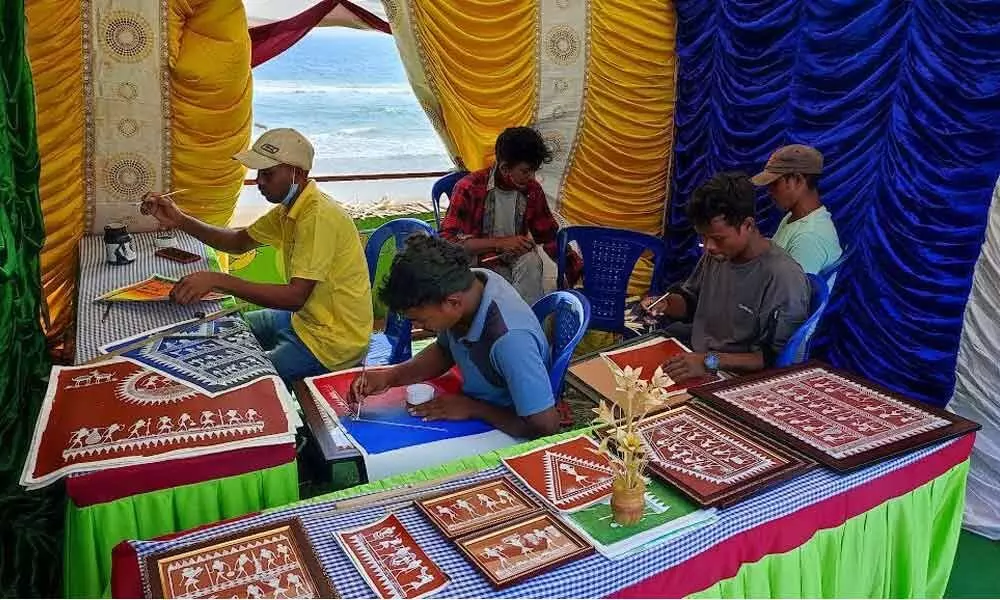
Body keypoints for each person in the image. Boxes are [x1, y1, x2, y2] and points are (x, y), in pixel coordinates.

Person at [141, 128, 373, 382]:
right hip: (304, 321)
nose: (260, 182)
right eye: (259, 173)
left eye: (268, 174)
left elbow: (295, 297)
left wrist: (219, 280)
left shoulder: (317, 217)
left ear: (298, 174)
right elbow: (238, 242)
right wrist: (180, 219)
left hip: (332, 343)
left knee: (244, 379)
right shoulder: (291, 208)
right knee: (219, 330)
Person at [348, 235, 559, 439]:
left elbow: (545, 426)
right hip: (476, 402)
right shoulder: (468, 283)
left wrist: (474, 409)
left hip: (505, 423)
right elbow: (444, 350)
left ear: (453, 303)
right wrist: (390, 377)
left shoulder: (511, 341)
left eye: (420, 320)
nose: (416, 327)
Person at [641, 172, 811, 382]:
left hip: (736, 377)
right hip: (697, 356)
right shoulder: (718, 254)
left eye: (717, 238)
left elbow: (772, 359)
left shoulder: (783, 277)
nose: (709, 247)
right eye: (703, 237)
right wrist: (665, 304)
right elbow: (691, 303)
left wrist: (708, 362)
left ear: (748, 225)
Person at [440, 126, 581, 304]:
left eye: (534, 171)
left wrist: (578, 271)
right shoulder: (468, 187)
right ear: (505, 168)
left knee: (531, 261)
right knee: (499, 283)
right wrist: (501, 243)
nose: (531, 177)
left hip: (514, 264)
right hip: (475, 267)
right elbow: (447, 243)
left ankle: (527, 326)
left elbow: (549, 237)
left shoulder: (532, 190)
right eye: (525, 171)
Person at [751, 144, 843, 275]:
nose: (769, 191)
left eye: (775, 183)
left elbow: (790, 293)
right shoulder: (794, 217)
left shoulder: (808, 238)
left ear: (798, 180)